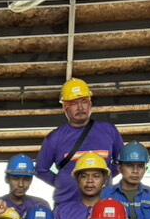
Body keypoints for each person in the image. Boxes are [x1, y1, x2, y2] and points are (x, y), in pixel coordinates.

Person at [35, 79, 125, 207]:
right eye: (74, 103)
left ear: (90, 104)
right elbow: (41, 170)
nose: (80, 107)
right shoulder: (55, 138)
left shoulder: (109, 131)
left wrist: (105, 177)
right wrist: (64, 183)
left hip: (102, 207)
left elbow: (122, 163)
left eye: (84, 101)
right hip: (67, 206)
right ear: (65, 107)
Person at [54, 152, 115, 219]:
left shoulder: (115, 211)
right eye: (84, 176)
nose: (90, 180)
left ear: (105, 180)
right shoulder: (61, 211)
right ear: (77, 180)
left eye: (96, 176)